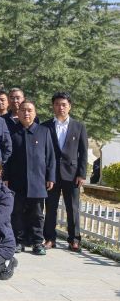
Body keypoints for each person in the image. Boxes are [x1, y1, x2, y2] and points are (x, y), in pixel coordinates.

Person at [4, 100, 55, 255]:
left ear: (35, 113)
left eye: (30, 110)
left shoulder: (44, 131)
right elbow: (6, 157)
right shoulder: (11, 132)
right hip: (16, 180)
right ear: (18, 113)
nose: (26, 113)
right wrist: (5, 177)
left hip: (38, 180)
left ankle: (37, 242)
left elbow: (50, 157)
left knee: (37, 214)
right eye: (23, 110)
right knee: (16, 212)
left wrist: (51, 177)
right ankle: (18, 241)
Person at [42, 92, 88, 252]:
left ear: (69, 106)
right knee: (50, 208)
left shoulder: (79, 126)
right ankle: (49, 238)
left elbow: (83, 152)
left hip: (72, 174)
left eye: (64, 104)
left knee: (73, 208)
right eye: (57, 104)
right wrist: (45, 174)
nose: (60, 107)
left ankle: (74, 240)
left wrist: (82, 174)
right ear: (53, 106)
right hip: (51, 175)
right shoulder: (45, 126)